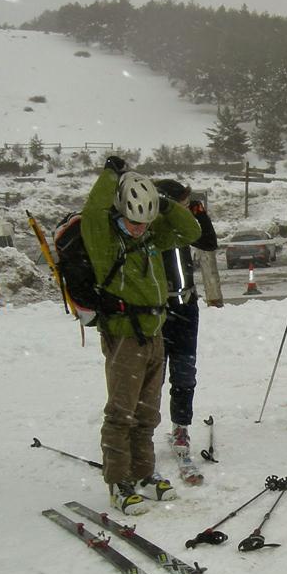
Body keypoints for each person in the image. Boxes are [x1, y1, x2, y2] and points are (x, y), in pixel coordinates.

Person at [82, 156, 201, 515]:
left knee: (147, 414)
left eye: (144, 222)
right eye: (133, 222)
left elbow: (191, 231)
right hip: (124, 337)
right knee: (121, 413)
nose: (138, 228)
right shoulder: (105, 241)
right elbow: (92, 212)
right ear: (121, 212)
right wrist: (109, 175)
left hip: (153, 334)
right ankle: (119, 482)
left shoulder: (149, 237)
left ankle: (144, 473)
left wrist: (164, 204)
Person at [155, 180, 218, 486]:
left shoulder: (184, 227)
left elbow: (208, 243)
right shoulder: (153, 227)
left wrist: (200, 214)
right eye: (184, 202)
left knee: (184, 374)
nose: (187, 207)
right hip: (155, 313)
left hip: (186, 307)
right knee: (151, 377)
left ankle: (181, 427)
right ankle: (140, 438)